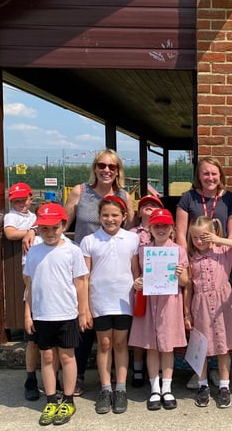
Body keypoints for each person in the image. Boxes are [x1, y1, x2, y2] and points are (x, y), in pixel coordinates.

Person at [25, 149, 132, 397]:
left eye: (112, 167)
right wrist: (33, 229)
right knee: (81, 327)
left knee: (111, 335)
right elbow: (62, 218)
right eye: (102, 165)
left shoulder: (124, 195)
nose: (106, 170)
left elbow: (133, 226)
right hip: (78, 266)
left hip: (110, 271)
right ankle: (78, 376)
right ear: (95, 168)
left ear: (118, 171)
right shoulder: (80, 191)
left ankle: (116, 381)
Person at [23, 203, 89, 426]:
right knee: (47, 357)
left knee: (67, 356)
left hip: (67, 313)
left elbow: (81, 283)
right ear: (38, 229)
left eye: (54, 227)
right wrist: (27, 313)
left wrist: (83, 311)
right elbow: (30, 285)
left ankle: (68, 399)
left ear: (63, 225)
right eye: (44, 229)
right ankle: (51, 399)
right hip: (41, 314)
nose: (50, 233)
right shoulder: (34, 252)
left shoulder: (72, 250)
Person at [80, 196, 140, 415]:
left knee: (121, 343)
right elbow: (84, 277)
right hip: (100, 300)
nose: (110, 219)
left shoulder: (132, 240)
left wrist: (140, 284)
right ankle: (105, 388)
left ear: (124, 217)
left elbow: (135, 271)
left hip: (124, 299)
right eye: (105, 215)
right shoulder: (89, 240)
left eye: (115, 215)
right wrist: (84, 308)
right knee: (104, 344)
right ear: (99, 217)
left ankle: (121, 388)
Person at [185, 216, 232, 409]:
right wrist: (186, 313)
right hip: (201, 305)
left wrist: (218, 239)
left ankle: (224, 385)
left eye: (203, 237)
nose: (199, 241)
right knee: (201, 346)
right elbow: (188, 286)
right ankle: (202, 384)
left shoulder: (223, 251)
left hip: (222, 305)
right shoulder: (191, 257)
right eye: (195, 238)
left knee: (223, 347)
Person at [129, 208, 189, 411]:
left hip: (170, 302)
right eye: (157, 225)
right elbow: (138, 277)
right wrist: (137, 283)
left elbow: (185, 281)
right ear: (150, 228)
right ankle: (154, 387)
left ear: (172, 228)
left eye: (165, 225)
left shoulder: (179, 250)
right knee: (151, 346)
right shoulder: (143, 250)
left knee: (167, 346)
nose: (161, 229)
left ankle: (167, 387)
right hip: (149, 302)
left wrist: (180, 274)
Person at [2, 182, 41, 401]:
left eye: (22, 199)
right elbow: (9, 234)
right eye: (15, 200)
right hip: (31, 275)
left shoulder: (35, 217)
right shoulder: (12, 217)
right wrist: (31, 231)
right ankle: (30, 377)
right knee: (33, 339)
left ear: (30, 198)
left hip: (49, 280)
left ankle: (51, 377)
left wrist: (35, 229)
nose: (19, 203)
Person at [128, 194, 165, 388]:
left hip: (162, 288)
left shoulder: (166, 232)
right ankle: (138, 367)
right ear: (139, 210)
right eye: (145, 205)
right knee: (141, 330)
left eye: (154, 205)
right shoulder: (132, 233)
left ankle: (158, 369)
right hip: (141, 286)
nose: (149, 208)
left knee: (159, 329)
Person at [175, 156, 232, 250]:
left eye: (214, 174)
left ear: (220, 176)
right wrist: (185, 257)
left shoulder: (230, 198)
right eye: (206, 174)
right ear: (199, 176)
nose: (210, 178)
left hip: (220, 254)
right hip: (195, 253)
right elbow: (180, 233)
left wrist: (228, 254)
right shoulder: (188, 197)